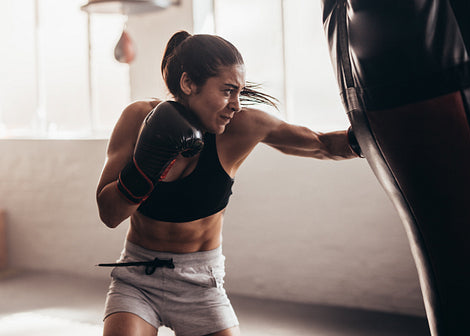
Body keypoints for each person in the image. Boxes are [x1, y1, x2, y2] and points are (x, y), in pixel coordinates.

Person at [96, 30, 361, 336]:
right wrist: (146, 164)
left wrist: (375, 133)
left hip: (201, 284)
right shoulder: (137, 119)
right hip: (138, 277)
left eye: (239, 92)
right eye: (227, 91)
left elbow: (322, 144)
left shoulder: (245, 127)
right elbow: (109, 214)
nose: (236, 104)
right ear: (188, 84)